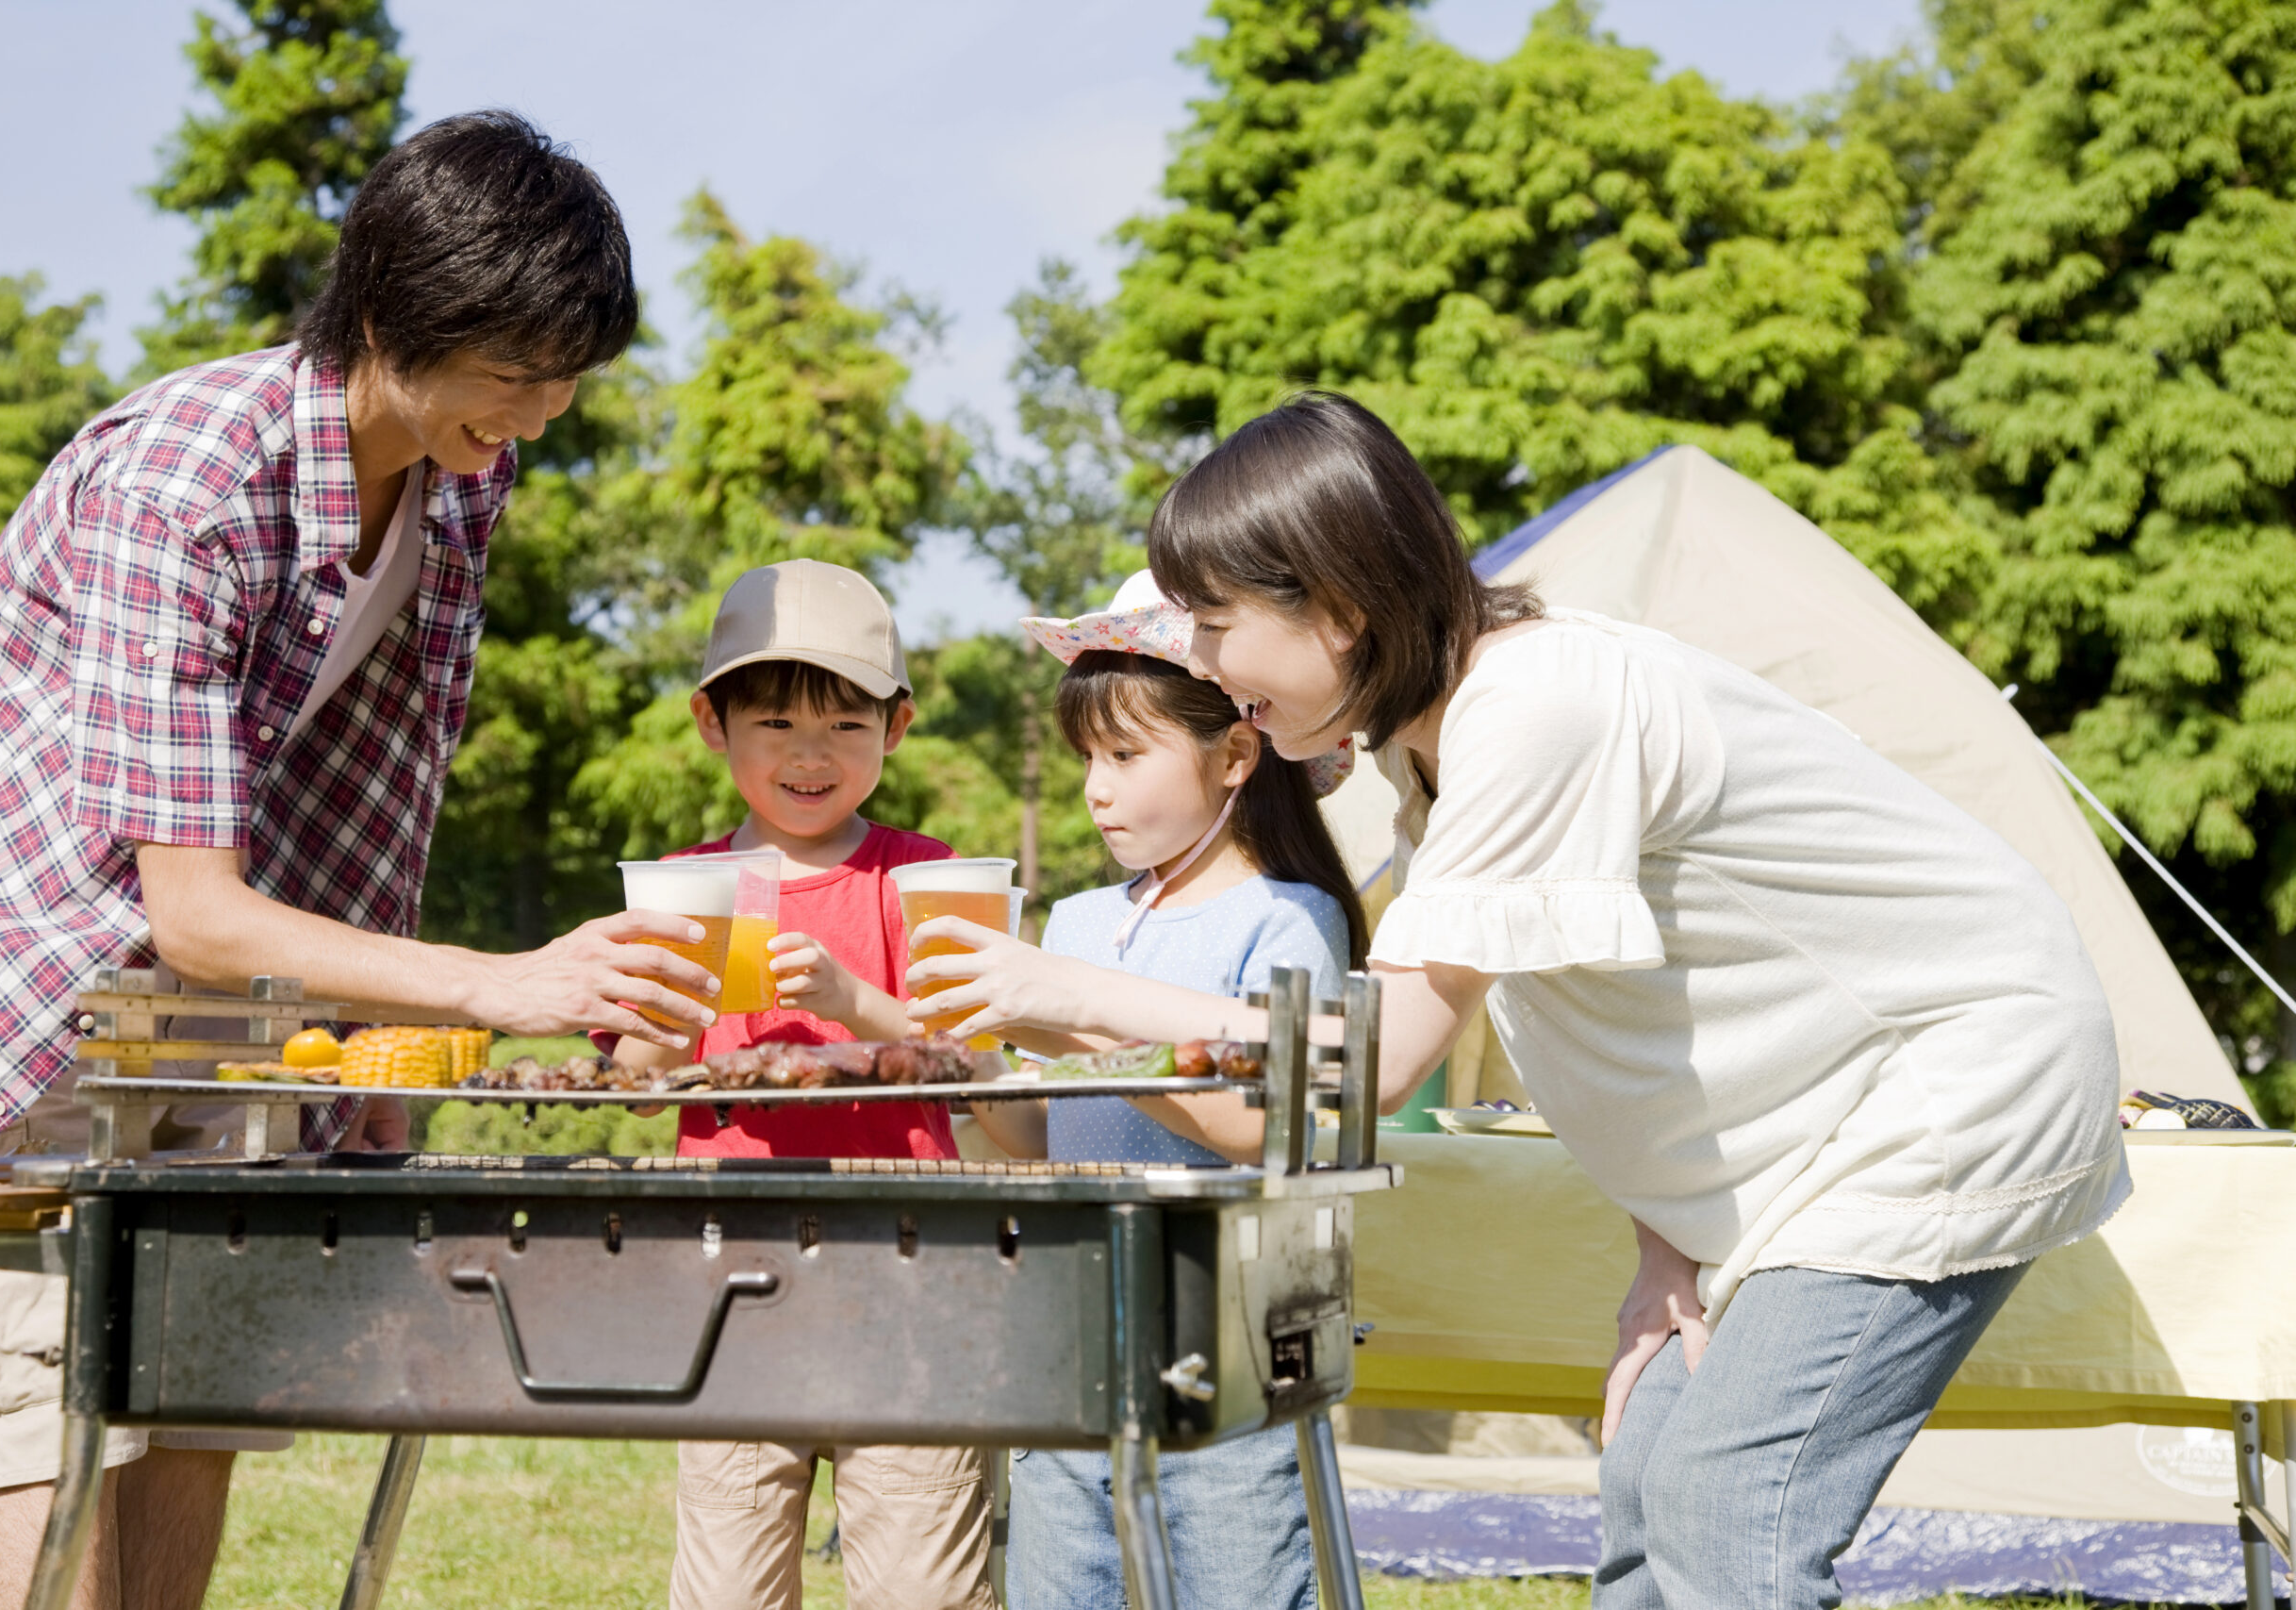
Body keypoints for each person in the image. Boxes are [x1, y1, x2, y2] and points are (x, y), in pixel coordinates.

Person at [905, 393, 2130, 1610]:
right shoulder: (1433, 741)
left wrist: (1067, 990)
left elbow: (1367, 1065)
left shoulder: (1535, 708)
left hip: (1953, 1085)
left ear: (1337, 604)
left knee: (1725, 1505)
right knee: (1651, 1464)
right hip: (1806, 1138)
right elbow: (1618, 991)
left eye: (1217, 624)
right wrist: (1671, 1240)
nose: (1211, 664)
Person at [0, 113, 723, 1610]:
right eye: (518, 370)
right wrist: (503, 982)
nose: (543, 410)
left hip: (231, 986)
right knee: (51, 1384)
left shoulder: (461, 479)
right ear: (398, 317)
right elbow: (190, 906)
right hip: (33, 954)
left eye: (568, 373)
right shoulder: (185, 485)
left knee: (199, 1365)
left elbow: (368, 790)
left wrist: (377, 1063)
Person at [963, 571, 1362, 1610]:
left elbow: (1264, 1132)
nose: (1096, 788)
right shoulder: (1079, 922)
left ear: (1235, 755)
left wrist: (1083, 1022)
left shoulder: (1285, 919)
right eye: (1088, 756)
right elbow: (1036, 1140)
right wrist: (970, 1056)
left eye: (1126, 755)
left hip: (1226, 1334)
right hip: (1076, 1322)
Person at [608, 558, 997, 1610]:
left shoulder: (924, 875)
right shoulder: (683, 886)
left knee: (925, 1581)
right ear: (711, 722)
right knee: (729, 1579)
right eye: (775, 723)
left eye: (845, 725)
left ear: (898, 726)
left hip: (910, 1273)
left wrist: (848, 996)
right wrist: (671, 1010)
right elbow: (636, 1088)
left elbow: (979, 1065)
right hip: (730, 1280)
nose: (810, 755)